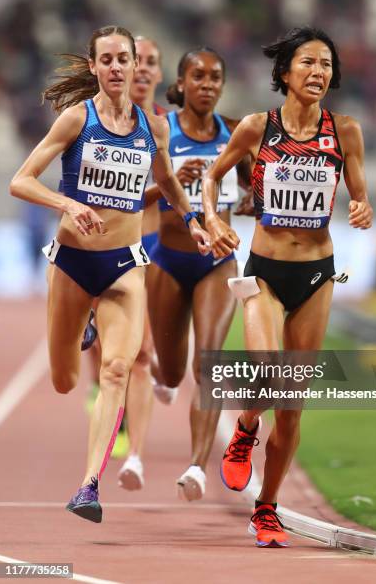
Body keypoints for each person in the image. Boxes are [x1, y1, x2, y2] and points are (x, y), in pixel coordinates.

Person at [10, 25, 209, 523]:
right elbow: (21, 181)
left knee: (119, 369)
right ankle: (84, 325)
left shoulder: (152, 127)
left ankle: (87, 485)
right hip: (73, 264)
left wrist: (193, 222)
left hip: (124, 265)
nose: (120, 68)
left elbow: (166, 183)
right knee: (62, 379)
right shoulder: (77, 119)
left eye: (127, 59)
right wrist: (68, 203)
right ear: (95, 67)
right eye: (110, 60)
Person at [202, 27, 373, 547]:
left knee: (294, 403)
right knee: (270, 369)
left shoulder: (345, 131)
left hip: (318, 273)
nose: (318, 72)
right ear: (284, 72)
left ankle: (267, 508)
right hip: (264, 272)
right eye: (308, 63)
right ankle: (247, 425)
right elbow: (213, 177)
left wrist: (362, 208)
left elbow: (360, 194)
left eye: (326, 64)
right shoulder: (258, 127)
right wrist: (211, 220)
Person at [144, 47, 251, 501]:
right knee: (171, 373)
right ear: (182, 83)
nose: (207, 84)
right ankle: (158, 373)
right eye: (198, 76)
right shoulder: (161, 131)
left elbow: (254, 193)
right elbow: (134, 198)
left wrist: (249, 204)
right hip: (168, 259)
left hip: (216, 263)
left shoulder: (236, 134)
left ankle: (196, 466)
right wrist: (169, 182)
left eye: (215, 77)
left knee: (209, 363)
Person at [87, 35, 166, 488]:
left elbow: (175, 190)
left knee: (144, 357)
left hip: (153, 249)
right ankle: (102, 401)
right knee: (103, 353)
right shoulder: (92, 119)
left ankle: (135, 454)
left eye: (150, 62)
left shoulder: (162, 127)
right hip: (101, 246)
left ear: (152, 70)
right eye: (137, 61)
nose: (142, 70)